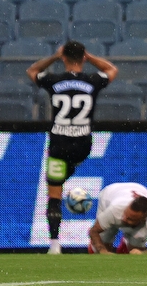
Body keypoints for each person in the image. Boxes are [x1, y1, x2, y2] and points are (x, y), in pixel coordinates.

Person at [26, 41, 118, 254]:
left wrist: (53, 58)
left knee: (54, 194)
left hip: (59, 144)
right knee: (70, 168)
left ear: (64, 57)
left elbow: (32, 71)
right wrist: (91, 57)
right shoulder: (92, 80)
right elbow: (111, 70)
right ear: (83, 58)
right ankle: (71, 172)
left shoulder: (53, 80)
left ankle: (55, 243)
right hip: (83, 144)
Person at [88, 182, 147, 255]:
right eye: (125, 215)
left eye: (130, 218)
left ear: (143, 218)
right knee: (104, 241)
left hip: (139, 189)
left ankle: (125, 243)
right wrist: (102, 250)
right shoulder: (114, 210)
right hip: (109, 193)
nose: (124, 219)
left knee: (136, 251)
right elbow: (93, 231)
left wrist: (142, 253)